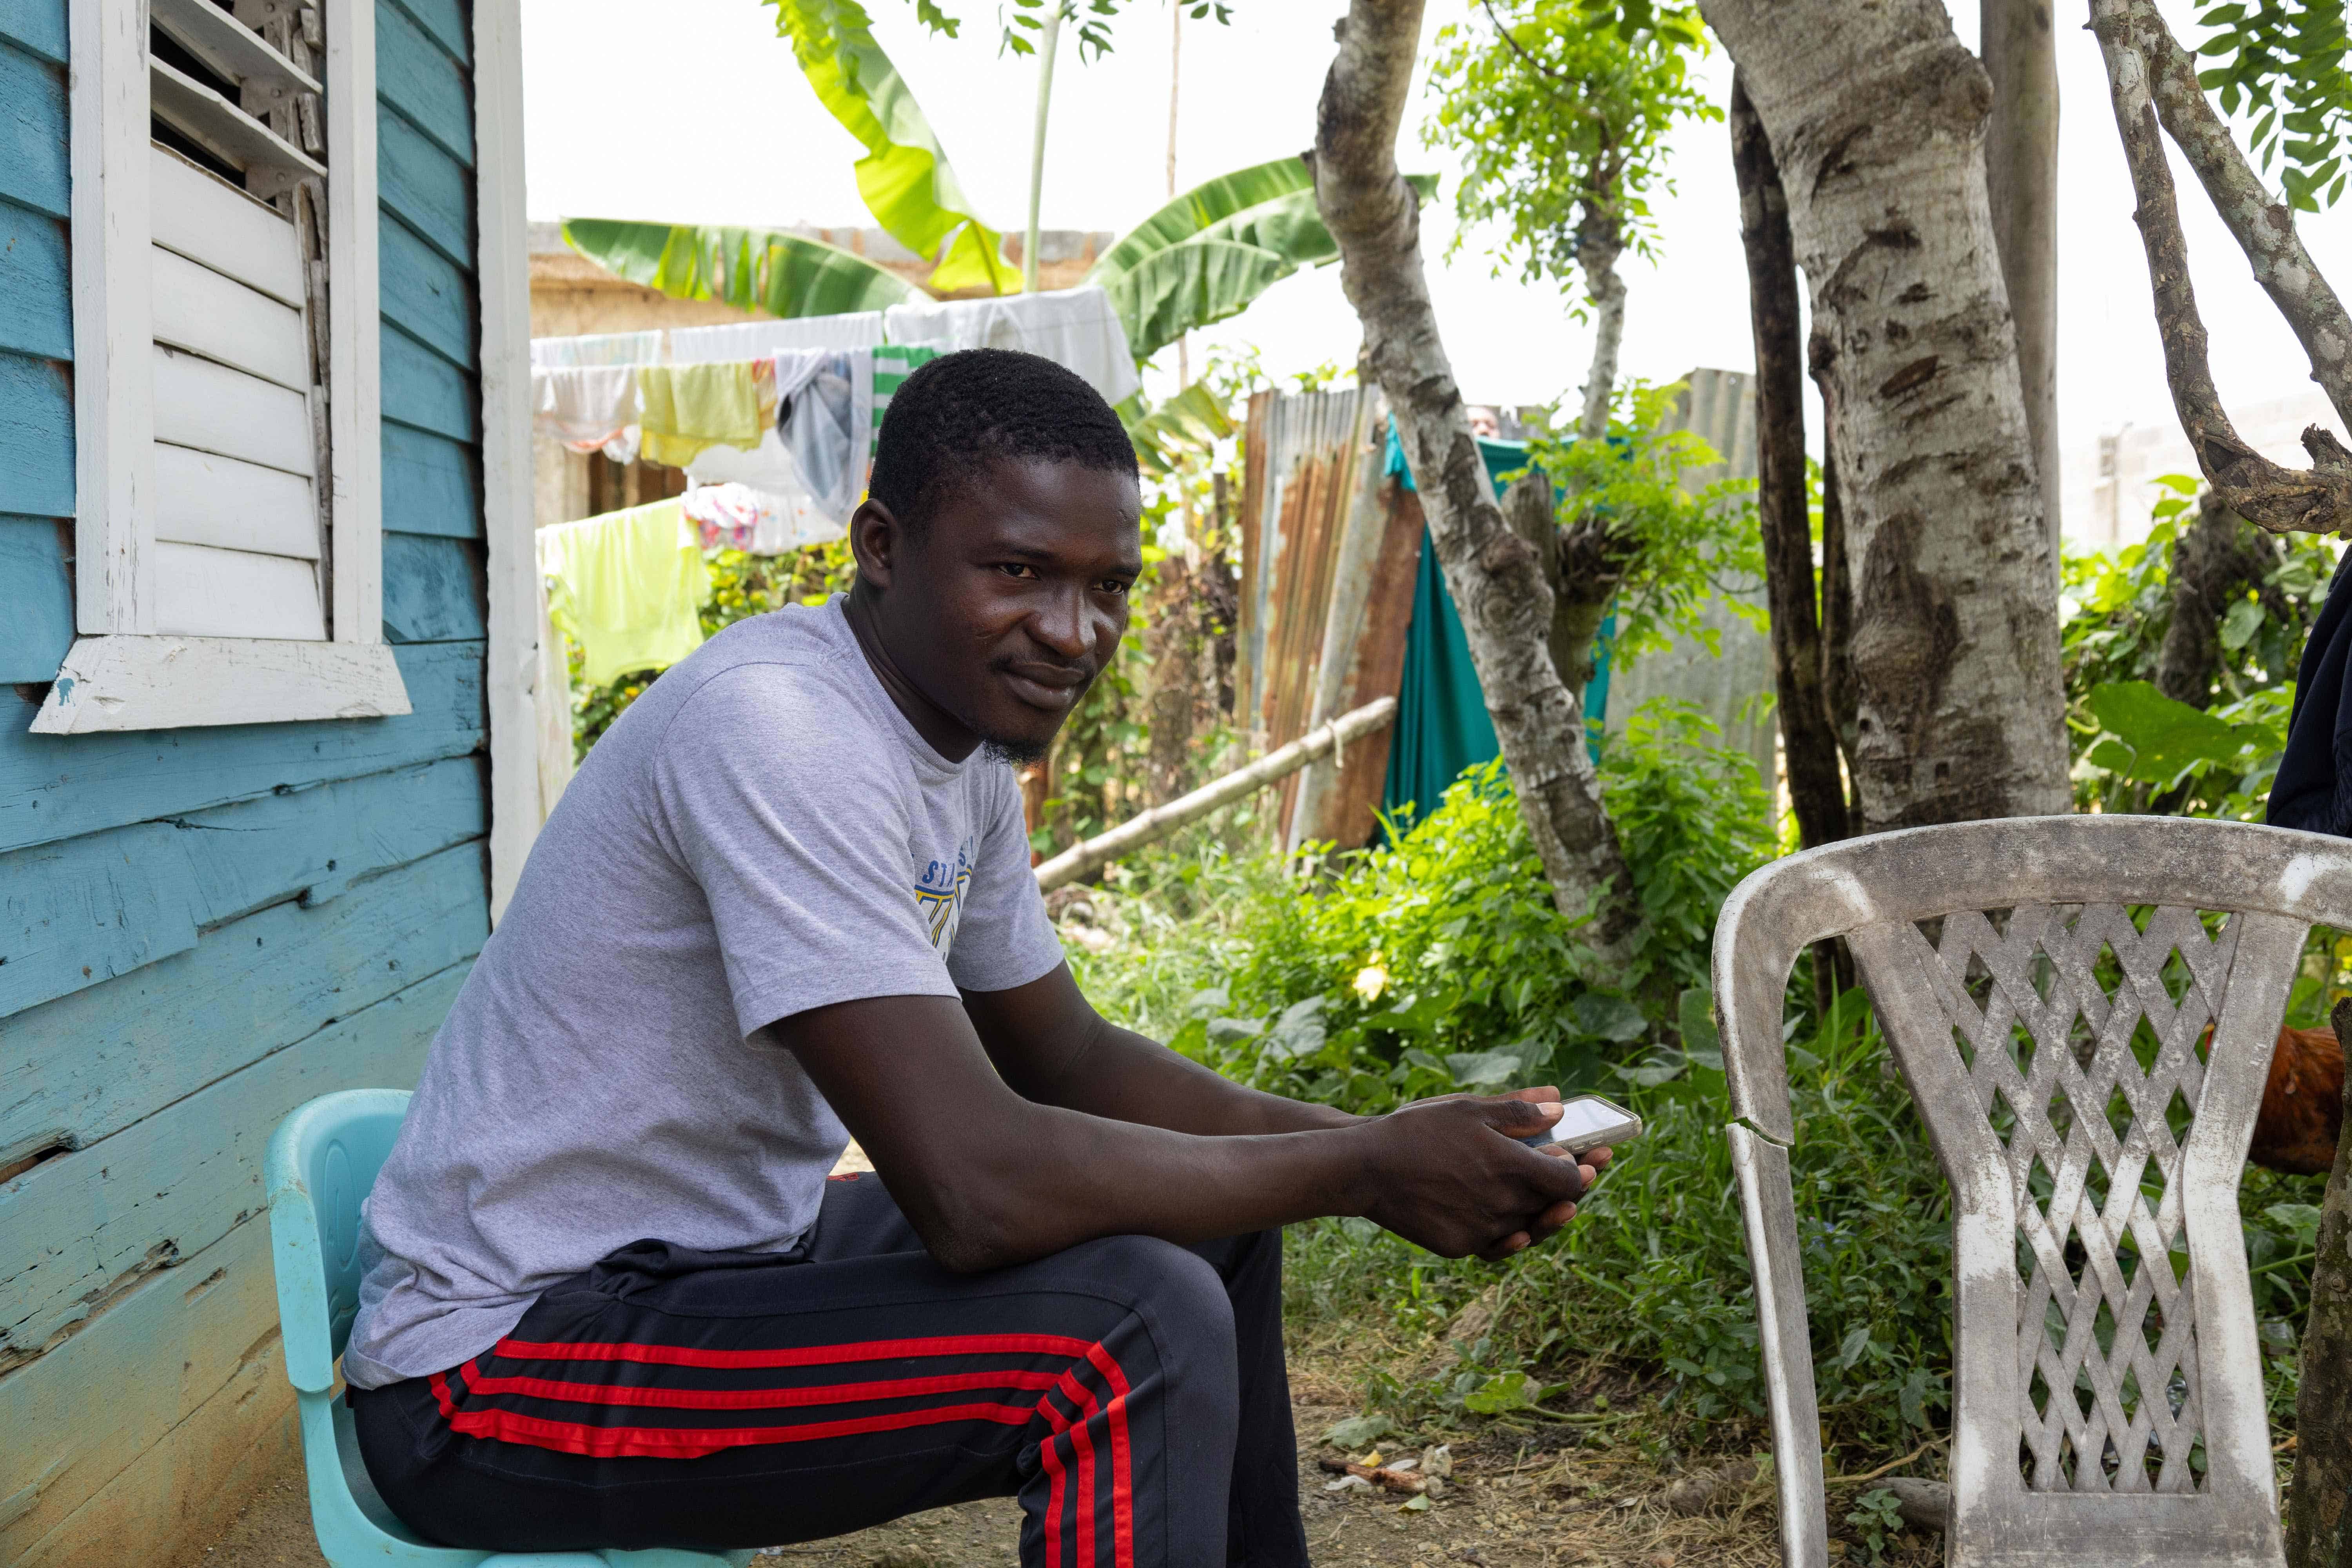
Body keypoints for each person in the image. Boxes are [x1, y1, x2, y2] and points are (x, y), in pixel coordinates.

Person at [344, 350, 1604, 1566]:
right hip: (490, 1374)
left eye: (1108, 585)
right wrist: (1368, 1171)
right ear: (880, 546)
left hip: (705, 1270)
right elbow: (973, 1188)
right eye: (1018, 571)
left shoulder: (958, 753)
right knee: (1128, 1329)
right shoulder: (780, 729)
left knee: (1216, 1227)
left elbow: (1068, 1056)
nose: (1074, 631)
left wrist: (1380, 1141)